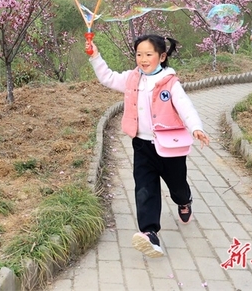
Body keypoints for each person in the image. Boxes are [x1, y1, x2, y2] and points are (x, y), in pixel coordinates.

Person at [89, 35, 210, 258]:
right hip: (142, 145)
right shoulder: (132, 78)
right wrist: (95, 56)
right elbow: (108, 77)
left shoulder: (170, 82)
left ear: (162, 56)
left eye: (148, 54)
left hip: (170, 148)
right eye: (138, 54)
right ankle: (150, 233)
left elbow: (185, 107)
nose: (143, 59)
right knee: (145, 189)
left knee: (177, 186)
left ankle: (185, 201)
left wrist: (195, 128)